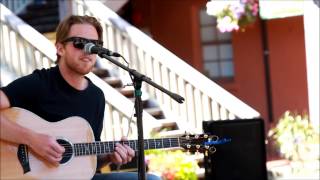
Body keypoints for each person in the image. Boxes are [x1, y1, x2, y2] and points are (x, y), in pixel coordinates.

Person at [0, 15, 160, 180]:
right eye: (79, 43)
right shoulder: (38, 83)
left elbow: (87, 162)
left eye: (95, 45)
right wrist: (33, 140)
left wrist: (109, 157)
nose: (88, 50)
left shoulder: (96, 97)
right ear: (60, 48)